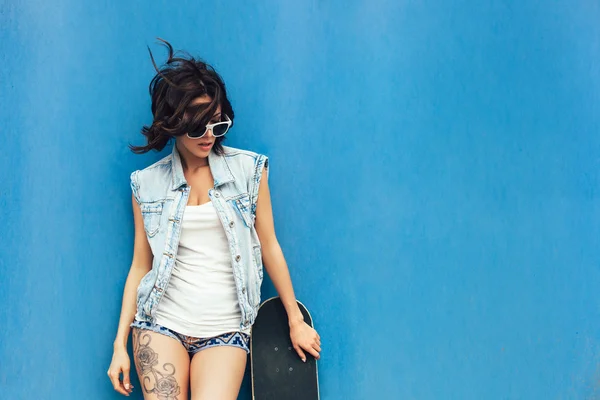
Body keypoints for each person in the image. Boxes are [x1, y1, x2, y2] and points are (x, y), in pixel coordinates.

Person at [107, 39, 321, 399]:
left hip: (225, 328)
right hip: (161, 322)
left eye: (218, 125)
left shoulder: (249, 172)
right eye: (197, 128)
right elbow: (140, 267)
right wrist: (118, 345)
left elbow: (269, 245)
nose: (209, 136)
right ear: (175, 124)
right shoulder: (146, 184)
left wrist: (294, 319)